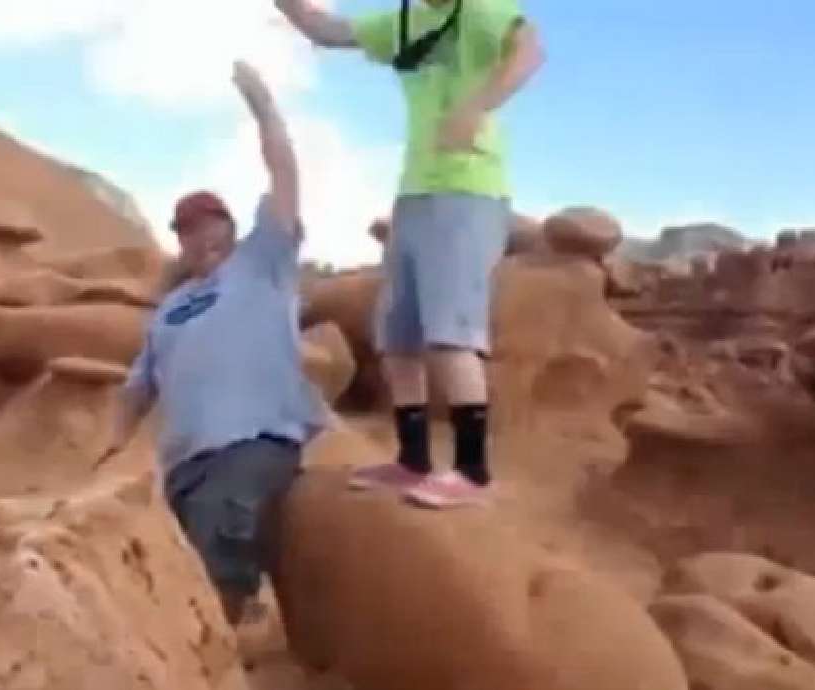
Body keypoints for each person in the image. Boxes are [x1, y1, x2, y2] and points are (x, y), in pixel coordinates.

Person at [275, 0, 544, 509]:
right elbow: (326, 31)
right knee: (398, 336)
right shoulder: (404, 21)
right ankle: (412, 460)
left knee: (450, 334)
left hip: (469, 189)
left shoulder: (479, 10)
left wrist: (476, 105)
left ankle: (471, 472)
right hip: (415, 194)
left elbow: (529, 50)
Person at [99, 60, 325, 625]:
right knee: (180, 569)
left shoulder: (262, 261)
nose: (202, 236)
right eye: (188, 230)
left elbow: (285, 178)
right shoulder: (170, 308)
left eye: (210, 223)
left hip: (253, 443)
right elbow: (137, 388)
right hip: (184, 465)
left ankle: (219, 648)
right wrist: (107, 445)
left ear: (229, 224)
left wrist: (264, 109)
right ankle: (240, 629)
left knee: (213, 561)